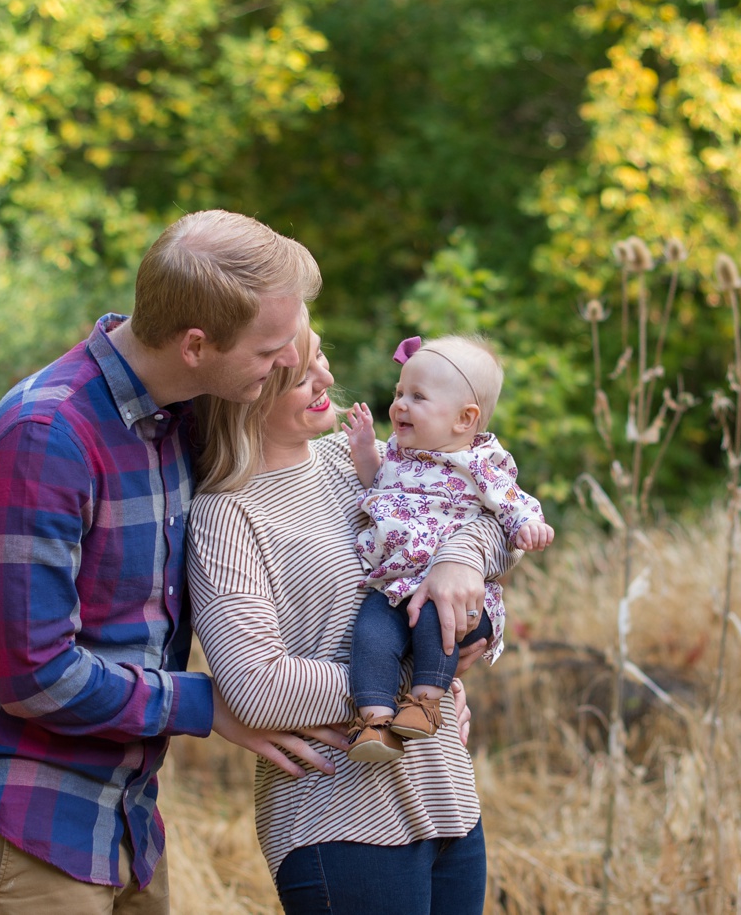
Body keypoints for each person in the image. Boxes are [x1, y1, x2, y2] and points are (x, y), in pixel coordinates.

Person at [0, 210, 345, 915]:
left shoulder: (179, 417)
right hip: (22, 816)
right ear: (196, 344)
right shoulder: (44, 440)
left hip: (126, 819)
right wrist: (209, 703)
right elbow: (37, 676)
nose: (289, 363)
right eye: (272, 349)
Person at [188, 321, 513, 914]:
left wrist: (462, 561)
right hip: (339, 818)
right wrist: (422, 681)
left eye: (321, 359)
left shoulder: (356, 456)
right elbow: (257, 688)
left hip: (449, 800)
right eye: (300, 373)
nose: (327, 379)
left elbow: (491, 513)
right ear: (246, 387)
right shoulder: (225, 515)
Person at [339, 334, 554, 762]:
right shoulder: (399, 456)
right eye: (400, 392)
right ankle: (375, 721)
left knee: (435, 620)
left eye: (417, 396)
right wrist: (365, 451)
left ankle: (425, 702)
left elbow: (511, 503)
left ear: (464, 419)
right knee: (370, 636)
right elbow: (377, 489)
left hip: (456, 599)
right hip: (394, 586)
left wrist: (529, 525)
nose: (400, 404)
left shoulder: (477, 463)